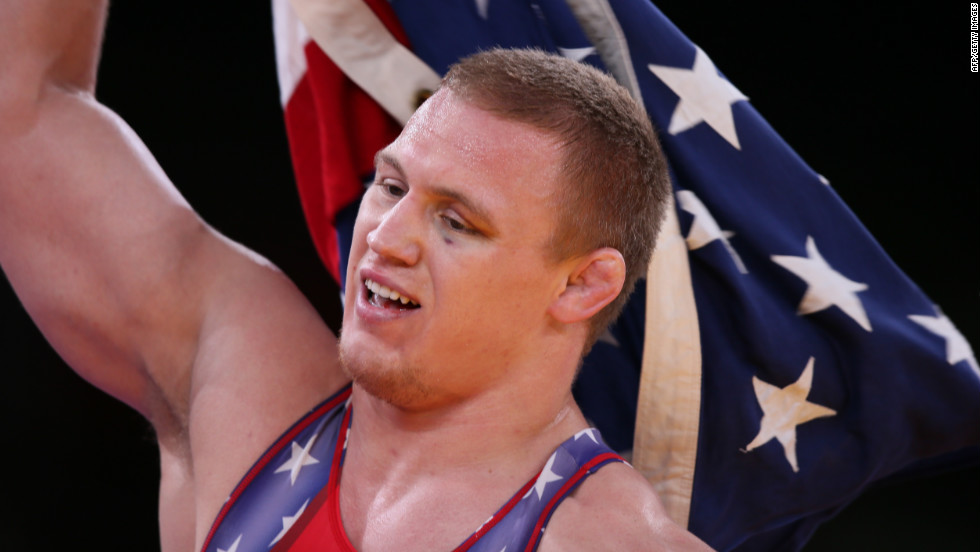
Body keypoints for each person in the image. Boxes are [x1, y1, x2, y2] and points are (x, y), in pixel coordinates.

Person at [0, 2, 711, 551]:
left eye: (456, 222)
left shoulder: (607, 540)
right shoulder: (244, 386)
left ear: (581, 285)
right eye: (391, 186)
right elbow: (22, 109)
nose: (386, 237)